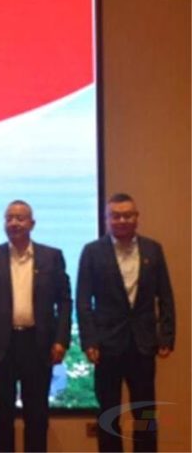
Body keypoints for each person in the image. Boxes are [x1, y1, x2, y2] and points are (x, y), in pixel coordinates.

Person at [77, 193, 175, 453]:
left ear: (137, 218)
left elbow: (165, 296)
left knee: (145, 412)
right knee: (108, 411)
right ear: (107, 219)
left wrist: (166, 336)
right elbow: (83, 301)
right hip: (106, 346)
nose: (121, 220)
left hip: (143, 344)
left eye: (127, 215)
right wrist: (89, 341)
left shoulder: (153, 249)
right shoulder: (92, 251)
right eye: (115, 216)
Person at [0, 201, 71, 453]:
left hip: (37, 345)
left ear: (32, 223)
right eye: (9, 218)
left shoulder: (51, 256)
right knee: (0, 418)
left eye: (20, 218)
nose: (14, 223)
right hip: (1, 347)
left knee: (37, 416)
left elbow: (64, 301)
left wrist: (61, 340)